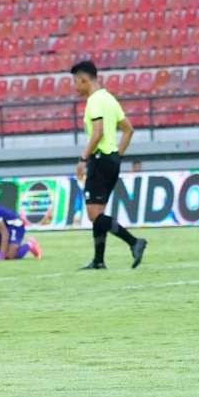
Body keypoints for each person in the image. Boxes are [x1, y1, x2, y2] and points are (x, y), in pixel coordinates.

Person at [70, 61, 147, 270]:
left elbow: (98, 133)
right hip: (111, 160)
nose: (75, 87)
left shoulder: (94, 101)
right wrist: (117, 155)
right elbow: (128, 130)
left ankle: (134, 242)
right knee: (99, 212)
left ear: (85, 80)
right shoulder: (110, 99)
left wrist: (83, 158)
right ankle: (98, 260)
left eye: (76, 82)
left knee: (94, 215)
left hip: (100, 159)